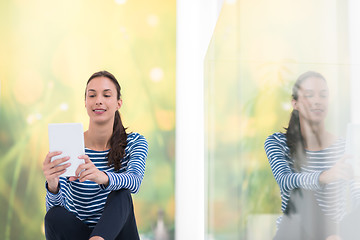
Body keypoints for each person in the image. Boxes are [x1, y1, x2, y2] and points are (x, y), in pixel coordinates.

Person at [43, 70, 148, 240]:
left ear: (118, 103)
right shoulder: (69, 144)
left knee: (121, 193)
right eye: (92, 95)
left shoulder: (135, 142)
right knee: (54, 216)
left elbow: (135, 182)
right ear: (85, 103)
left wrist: (103, 177)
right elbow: (57, 213)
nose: (98, 100)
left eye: (106, 95)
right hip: (81, 234)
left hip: (120, 235)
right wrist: (52, 186)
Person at [264, 71, 360, 240]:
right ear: (295, 103)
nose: (317, 101)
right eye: (309, 95)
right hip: (295, 231)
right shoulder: (277, 142)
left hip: (335, 231)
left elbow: (356, 192)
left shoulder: (344, 146)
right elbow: (286, 181)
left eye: (323, 95)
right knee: (301, 193)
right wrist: (324, 177)